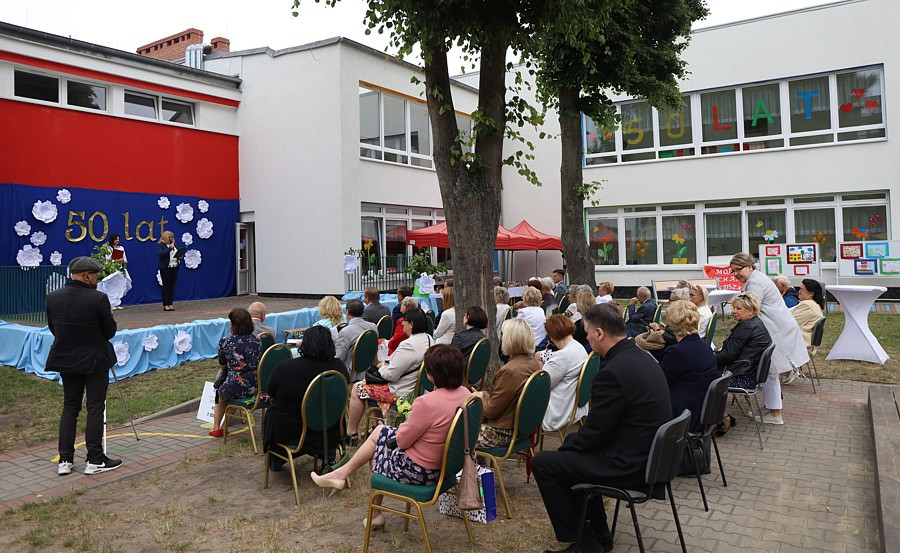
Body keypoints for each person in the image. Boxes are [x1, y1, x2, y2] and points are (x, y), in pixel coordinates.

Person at [533, 303, 672, 553]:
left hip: (630, 465)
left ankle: (586, 544)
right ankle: (599, 535)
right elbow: (599, 431)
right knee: (572, 456)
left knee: (544, 464)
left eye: (586, 332)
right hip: (648, 456)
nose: (585, 338)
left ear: (599, 333)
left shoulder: (614, 372)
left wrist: (567, 447)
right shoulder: (642, 356)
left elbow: (594, 435)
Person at [309, 345, 472, 530]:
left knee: (378, 448)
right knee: (380, 432)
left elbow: (403, 441)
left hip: (422, 471)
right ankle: (342, 475)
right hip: (447, 466)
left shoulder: (427, 403)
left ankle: (372, 511)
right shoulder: (466, 395)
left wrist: (404, 425)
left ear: (433, 374)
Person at [47, 257, 122, 476]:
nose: (98, 279)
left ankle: (65, 460)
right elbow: (109, 332)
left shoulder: (53, 297)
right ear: (86, 275)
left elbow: (54, 329)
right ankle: (95, 459)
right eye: (96, 275)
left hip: (66, 359)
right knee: (95, 407)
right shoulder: (98, 299)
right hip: (94, 360)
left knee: (70, 407)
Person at [731, 253, 809, 425]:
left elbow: (749, 308)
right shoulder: (756, 279)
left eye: (739, 270)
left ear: (750, 266)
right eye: (733, 271)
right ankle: (771, 408)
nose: (736, 274)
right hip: (775, 328)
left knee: (770, 372)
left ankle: (775, 414)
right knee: (769, 372)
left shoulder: (755, 282)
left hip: (777, 329)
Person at [263, 326, 349, 471]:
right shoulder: (338, 367)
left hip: (292, 429)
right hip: (329, 428)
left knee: (273, 412)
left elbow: (271, 391)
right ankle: (329, 453)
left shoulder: (286, 367)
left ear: (304, 343)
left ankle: (277, 457)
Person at [346, 308, 433, 440]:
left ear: (411, 324)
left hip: (399, 392)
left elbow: (390, 375)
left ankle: (351, 433)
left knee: (357, 388)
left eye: (404, 321)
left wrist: (382, 367)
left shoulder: (408, 345)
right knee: (370, 384)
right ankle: (377, 425)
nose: (402, 323)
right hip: (415, 388)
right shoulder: (429, 339)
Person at [472, 318, 540, 448]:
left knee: (450, 433)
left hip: (501, 432)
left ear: (510, 340)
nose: (501, 339)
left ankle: (472, 466)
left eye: (503, 335)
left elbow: (492, 411)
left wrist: (478, 400)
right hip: (520, 429)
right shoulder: (533, 364)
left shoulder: (510, 371)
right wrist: (484, 396)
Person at [715, 292, 773, 433]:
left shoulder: (747, 327)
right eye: (733, 307)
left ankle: (722, 418)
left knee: (699, 378)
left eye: (738, 308)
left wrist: (705, 359)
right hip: (748, 373)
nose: (733, 311)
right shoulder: (755, 323)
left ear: (751, 310)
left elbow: (728, 356)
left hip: (741, 376)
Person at [658, 301, 719, 434]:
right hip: (702, 410)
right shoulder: (705, 347)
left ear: (672, 324)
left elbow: (659, 385)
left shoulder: (677, 352)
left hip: (684, 416)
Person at [210, 308, 263, 437]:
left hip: (235, 384)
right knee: (233, 392)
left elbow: (222, 367)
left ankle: (216, 427)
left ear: (233, 324)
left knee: (222, 392)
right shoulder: (257, 340)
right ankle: (225, 426)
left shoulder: (225, 341)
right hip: (256, 385)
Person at [536, 315, 589, 433]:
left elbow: (540, 386)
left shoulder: (562, 357)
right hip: (573, 405)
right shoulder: (578, 347)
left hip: (557, 411)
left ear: (552, 336)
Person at [333, 299, 377, 378]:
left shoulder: (345, 332)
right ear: (363, 312)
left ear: (347, 311)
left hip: (352, 373)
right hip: (369, 369)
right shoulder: (373, 327)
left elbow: (338, 358)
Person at [791, 279, 826, 347]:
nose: (799, 291)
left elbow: (790, 325)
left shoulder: (807, 306)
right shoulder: (814, 305)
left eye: (801, 289)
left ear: (811, 293)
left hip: (797, 345)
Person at [104, 233, 131, 310]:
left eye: (118, 239)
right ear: (112, 240)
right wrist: (117, 260)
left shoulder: (121, 248)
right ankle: (112, 303)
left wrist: (122, 261)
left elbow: (125, 259)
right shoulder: (109, 249)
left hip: (120, 269)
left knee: (118, 286)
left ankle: (117, 303)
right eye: (116, 239)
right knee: (112, 286)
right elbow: (108, 260)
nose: (118, 241)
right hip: (112, 269)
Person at [157, 230, 180, 311]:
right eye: (170, 237)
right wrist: (170, 248)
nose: (172, 238)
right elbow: (161, 254)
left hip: (174, 266)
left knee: (172, 286)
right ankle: (165, 304)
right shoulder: (161, 245)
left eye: (172, 237)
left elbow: (175, 254)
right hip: (166, 267)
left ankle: (170, 303)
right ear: (166, 237)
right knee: (166, 286)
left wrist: (179, 256)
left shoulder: (174, 245)